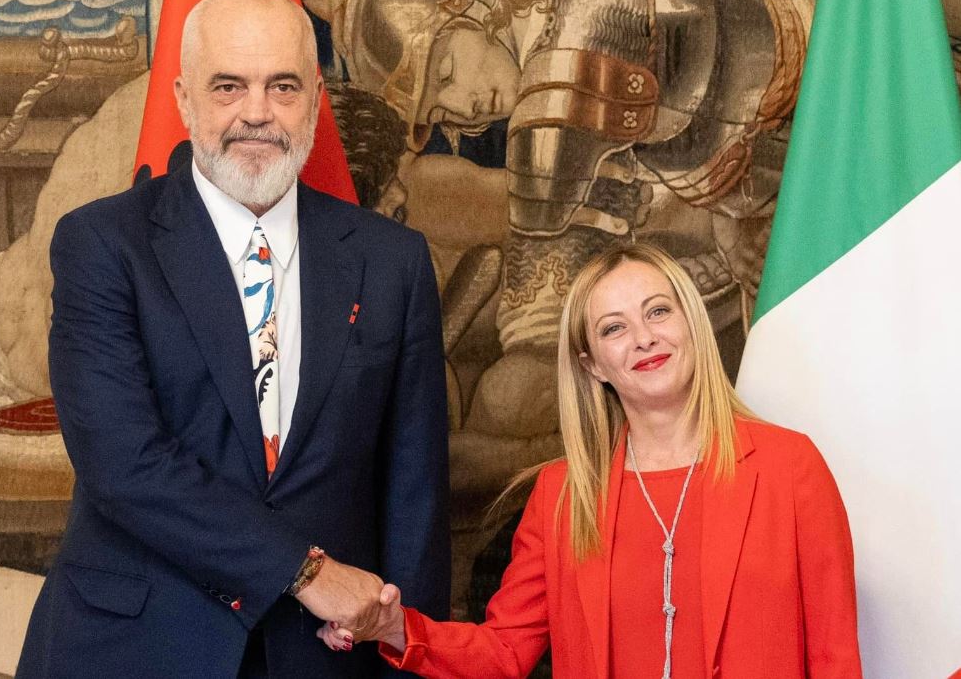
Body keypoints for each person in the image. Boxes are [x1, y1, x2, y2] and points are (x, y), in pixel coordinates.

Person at [16, 0, 450, 678]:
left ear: (315, 97)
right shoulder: (103, 244)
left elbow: (414, 492)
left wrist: (412, 646)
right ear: (184, 99)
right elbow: (126, 464)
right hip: (134, 649)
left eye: (283, 86)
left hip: (325, 657)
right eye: (229, 86)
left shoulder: (391, 261)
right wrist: (307, 572)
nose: (257, 112)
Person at [320, 243, 862, 678]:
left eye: (658, 311)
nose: (644, 337)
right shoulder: (561, 495)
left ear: (692, 325)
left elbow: (834, 659)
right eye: (613, 328)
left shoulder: (790, 467)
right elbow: (504, 653)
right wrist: (395, 628)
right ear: (592, 365)